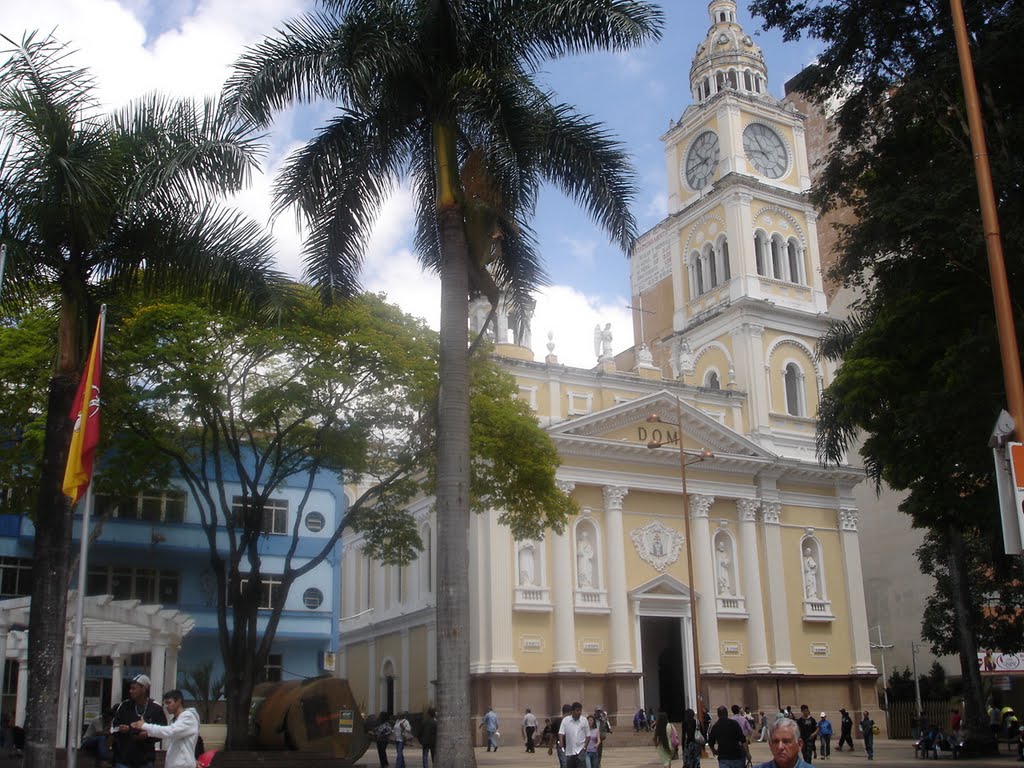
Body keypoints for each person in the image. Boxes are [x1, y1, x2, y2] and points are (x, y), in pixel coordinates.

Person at [131, 689, 199, 768]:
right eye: (165, 703)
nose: (166, 706)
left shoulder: (188, 717)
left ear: (179, 702)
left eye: (169, 702)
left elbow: (170, 731)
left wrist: (145, 726)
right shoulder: (175, 720)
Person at [110, 674, 167, 768]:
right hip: (124, 760)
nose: (130, 691)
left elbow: (163, 731)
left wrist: (148, 735)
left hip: (145, 761)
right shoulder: (124, 706)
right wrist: (120, 729)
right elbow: (113, 728)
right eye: (130, 688)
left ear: (144, 689)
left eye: (134, 688)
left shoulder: (155, 708)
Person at [558, 702, 589, 768]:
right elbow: (561, 733)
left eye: (580, 710)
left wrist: (584, 747)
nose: (579, 712)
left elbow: (588, 735)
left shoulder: (584, 720)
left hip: (580, 750)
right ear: (572, 711)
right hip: (570, 751)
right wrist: (561, 742)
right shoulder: (565, 720)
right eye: (577, 710)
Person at [549, 704, 572, 768]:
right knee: (564, 764)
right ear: (568, 712)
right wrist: (550, 748)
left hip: (571, 747)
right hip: (561, 746)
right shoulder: (557, 721)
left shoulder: (571, 722)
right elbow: (552, 735)